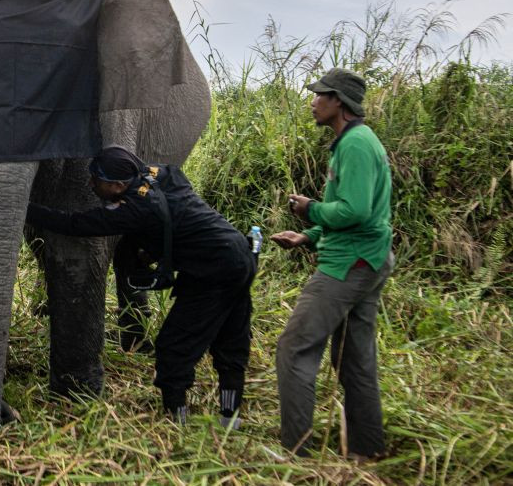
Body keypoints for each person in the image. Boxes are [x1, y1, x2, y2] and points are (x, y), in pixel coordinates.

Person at [24, 146, 256, 428]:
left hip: (212, 270)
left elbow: (74, 224)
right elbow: (173, 206)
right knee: (231, 341)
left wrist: (24, 208)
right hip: (240, 253)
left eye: (97, 181)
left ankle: (177, 422)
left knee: (173, 348)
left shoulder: (134, 210)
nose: (91, 185)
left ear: (118, 185)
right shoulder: (162, 173)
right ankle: (230, 421)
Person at [271, 68, 393, 459]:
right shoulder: (354, 141)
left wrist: (312, 210)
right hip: (367, 257)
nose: (313, 101)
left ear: (338, 101)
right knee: (354, 358)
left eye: (319, 95)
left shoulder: (356, 145)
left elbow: (355, 210)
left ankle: (297, 451)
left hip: (348, 266)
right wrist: (309, 236)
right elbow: (364, 212)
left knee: (294, 348)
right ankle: (366, 448)